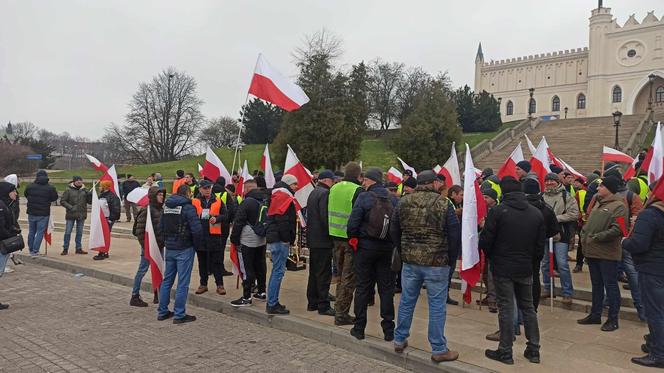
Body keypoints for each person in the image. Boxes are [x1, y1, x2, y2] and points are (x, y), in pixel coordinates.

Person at [391, 170, 460, 363]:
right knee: (437, 305)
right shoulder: (443, 203)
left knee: (407, 300)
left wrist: (402, 249)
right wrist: (451, 259)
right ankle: (438, 348)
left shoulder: (403, 201)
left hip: (411, 260)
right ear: (435, 183)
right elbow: (454, 234)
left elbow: (394, 229)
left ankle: (399, 339)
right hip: (437, 262)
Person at [480, 176, 544, 365]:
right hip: (525, 267)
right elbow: (539, 247)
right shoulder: (535, 213)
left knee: (506, 308)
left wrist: (493, 258)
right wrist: (531, 263)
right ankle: (534, 350)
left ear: (503, 192)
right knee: (528, 308)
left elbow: (485, 241)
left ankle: (505, 351)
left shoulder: (498, 211)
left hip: (503, 267)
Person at [347, 168, 397, 341]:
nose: (363, 183)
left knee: (362, 287)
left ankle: (359, 328)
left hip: (366, 248)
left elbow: (353, 223)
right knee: (386, 289)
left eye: (365, 180)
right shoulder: (393, 199)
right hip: (386, 249)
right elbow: (397, 226)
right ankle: (389, 330)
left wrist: (353, 239)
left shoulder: (364, 197)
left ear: (371, 181)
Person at [577, 176, 627, 332]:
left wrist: (597, 237)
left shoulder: (619, 206)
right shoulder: (598, 203)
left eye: (601, 186)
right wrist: (585, 234)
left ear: (609, 189)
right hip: (592, 252)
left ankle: (613, 319)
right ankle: (595, 314)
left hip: (607, 254)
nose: (598, 189)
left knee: (610, 286)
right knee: (597, 285)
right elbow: (589, 223)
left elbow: (620, 229)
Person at [623, 185, 664, 368]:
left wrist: (625, 241)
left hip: (651, 269)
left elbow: (639, 244)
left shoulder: (650, 214)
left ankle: (658, 353)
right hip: (659, 266)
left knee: (655, 313)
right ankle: (654, 343)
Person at [158, 184, 202, 324]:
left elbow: (160, 227)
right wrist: (197, 245)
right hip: (184, 247)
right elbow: (197, 229)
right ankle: (179, 314)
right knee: (183, 283)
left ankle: (162, 311)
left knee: (167, 281)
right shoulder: (188, 208)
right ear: (188, 193)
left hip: (169, 247)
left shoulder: (166, 207)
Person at [328, 162, 363, 325]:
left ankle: (338, 309)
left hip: (335, 237)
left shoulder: (334, 187)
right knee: (348, 278)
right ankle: (341, 314)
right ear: (358, 176)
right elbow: (358, 215)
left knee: (340, 275)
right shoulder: (357, 190)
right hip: (350, 240)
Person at [540, 173, 578, 304]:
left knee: (562, 264)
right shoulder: (541, 197)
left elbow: (574, 214)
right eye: (547, 181)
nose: (549, 183)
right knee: (544, 264)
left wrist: (556, 218)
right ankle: (547, 287)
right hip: (544, 234)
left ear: (557, 182)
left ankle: (567, 292)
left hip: (560, 235)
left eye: (552, 180)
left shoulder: (566, 196)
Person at [230, 179, 268, 307]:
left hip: (248, 238)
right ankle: (262, 291)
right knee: (260, 264)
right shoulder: (265, 199)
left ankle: (246, 297)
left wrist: (234, 239)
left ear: (246, 189)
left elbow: (239, 221)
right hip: (262, 237)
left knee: (247, 267)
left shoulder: (247, 202)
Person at [265, 174, 299, 315]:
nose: (297, 187)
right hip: (280, 240)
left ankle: (272, 301)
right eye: (295, 184)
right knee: (278, 272)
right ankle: (272, 303)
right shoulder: (284, 197)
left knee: (277, 271)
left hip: (276, 238)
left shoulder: (277, 195)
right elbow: (283, 222)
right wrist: (287, 239)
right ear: (288, 184)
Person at [305, 170, 336, 316]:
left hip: (313, 239)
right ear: (327, 180)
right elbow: (325, 217)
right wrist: (331, 234)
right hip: (323, 240)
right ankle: (323, 305)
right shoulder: (325, 194)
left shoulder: (314, 192)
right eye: (333, 180)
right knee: (323, 274)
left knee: (314, 272)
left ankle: (312, 302)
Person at [190, 179, 227, 296]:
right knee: (202, 262)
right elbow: (190, 216)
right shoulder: (194, 201)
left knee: (216, 262)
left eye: (209, 188)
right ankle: (203, 284)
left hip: (214, 236)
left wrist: (217, 218)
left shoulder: (218, 200)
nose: (207, 190)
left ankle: (220, 285)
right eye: (205, 188)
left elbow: (226, 215)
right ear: (200, 189)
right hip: (200, 236)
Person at [130, 186, 165, 307]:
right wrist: (147, 247)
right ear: (153, 196)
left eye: (162, 195)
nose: (162, 197)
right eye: (159, 195)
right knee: (142, 270)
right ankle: (135, 295)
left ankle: (158, 293)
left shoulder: (160, 209)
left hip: (159, 246)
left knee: (159, 269)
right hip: (148, 247)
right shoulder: (146, 210)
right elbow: (138, 231)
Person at [23, 170, 58, 257]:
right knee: (40, 232)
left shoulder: (30, 186)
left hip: (31, 212)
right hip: (43, 213)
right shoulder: (50, 188)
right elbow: (54, 198)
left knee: (31, 231)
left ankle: (31, 249)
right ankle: (35, 250)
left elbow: (26, 194)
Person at [213, 176, 237, 277]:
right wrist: (231, 220)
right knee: (221, 247)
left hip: (211, 223)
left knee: (212, 247)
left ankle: (210, 268)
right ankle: (220, 269)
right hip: (223, 224)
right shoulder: (226, 194)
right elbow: (231, 210)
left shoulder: (210, 192)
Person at [59, 176, 89, 255]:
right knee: (68, 232)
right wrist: (70, 207)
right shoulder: (68, 190)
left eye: (80, 180)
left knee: (79, 232)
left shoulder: (84, 190)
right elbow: (62, 201)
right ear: (74, 181)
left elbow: (89, 201)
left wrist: (90, 195)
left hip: (81, 214)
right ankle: (65, 248)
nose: (79, 182)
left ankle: (78, 248)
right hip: (71, 214)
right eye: (77, 180)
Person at [0, 195, 19, 309]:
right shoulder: (2, 206)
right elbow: (1, 227)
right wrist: (11, 235)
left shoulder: (6, 204)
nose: (15, 193)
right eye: (12, 191)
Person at [446, 185, 464, 306]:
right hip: (448, 245)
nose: (462, 197)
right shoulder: (447, 203)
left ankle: (445, 294)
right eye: (460, 195)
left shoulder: (457, 205)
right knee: (447, 271)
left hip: (454, 243)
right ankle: (444, 295)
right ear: (453, 194)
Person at [94, 181, 121, 260]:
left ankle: (102, 252)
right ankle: (104, 252)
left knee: (105, 236)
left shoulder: (113, 197)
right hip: (102, 219)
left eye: (101, 186)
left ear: (105, 187)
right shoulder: (101, 195)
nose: (99, 187)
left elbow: (116, 209)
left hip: (108, 219)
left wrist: (111, 219)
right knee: (102, 235)